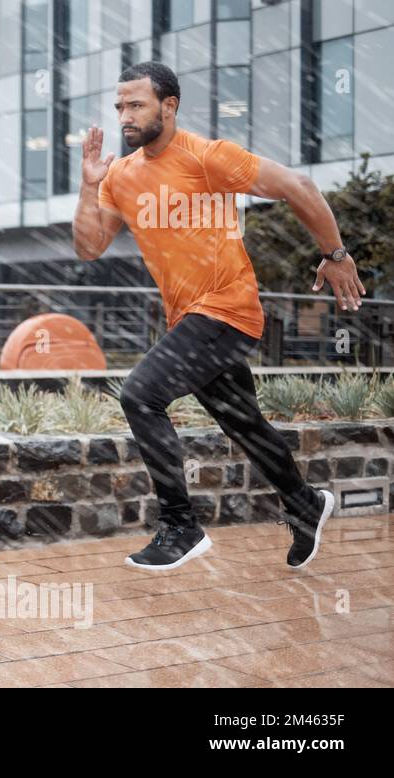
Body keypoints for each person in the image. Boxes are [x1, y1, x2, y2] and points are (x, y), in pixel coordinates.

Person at [72, 61, 367, 571]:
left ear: (169, 106)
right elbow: (90, 247)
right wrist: (88, 184)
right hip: (188, 320)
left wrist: (335, 255)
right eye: (120, 105)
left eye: (136, 104)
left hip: (228, 310)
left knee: (141, 394)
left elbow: (299, 186)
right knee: (244, 423)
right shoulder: (120, 175)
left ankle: (180, 526)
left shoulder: (208, 157)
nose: (125, 115)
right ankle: (305, 503)